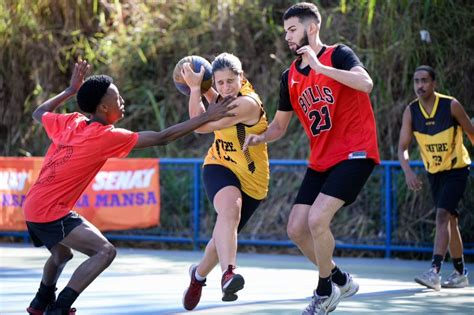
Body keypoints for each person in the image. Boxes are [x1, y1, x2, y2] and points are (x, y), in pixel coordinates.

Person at [24, 60, 237, 315]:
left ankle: (39, 303)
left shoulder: (71, 122)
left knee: (61, 256)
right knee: (104, 252)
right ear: (103, 107)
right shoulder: (104, 137)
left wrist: (71, 90)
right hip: (50, 210)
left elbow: (39, 113)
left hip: (33, 205)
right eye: (117, 98)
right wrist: (207, 116)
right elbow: (162, 137)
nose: (122, 100)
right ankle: (59, 308)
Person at [244, 2, 380, 314]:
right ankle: (340, 279)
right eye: (285, 31)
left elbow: (366, 83)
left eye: (292, 29)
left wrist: (320, 68)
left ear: (312, 28)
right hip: (322, 159)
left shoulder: (339, 55)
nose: (288, 37)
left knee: (317, 219)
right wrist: (260, 137)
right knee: (296, 228)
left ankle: (324, 290)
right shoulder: (288, 76)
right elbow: (279, 125)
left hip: (355, 152)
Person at [180, 52, 269, 310]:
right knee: (230, 211)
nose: (226, 87)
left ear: (242, 78)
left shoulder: (246, 104)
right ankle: (229, 274)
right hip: (219, 165)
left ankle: (197, 277)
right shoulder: (221, 94)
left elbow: (198, 124)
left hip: (253, 180)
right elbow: (205, 112)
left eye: (231, 81)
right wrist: (201, 87)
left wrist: (196, 88)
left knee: (219, 242)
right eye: (220, 83)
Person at [398, 65, 473, 291]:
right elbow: (402, 148)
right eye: (416, 81)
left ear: (434, 84)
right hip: (434, 174)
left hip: (457, 170)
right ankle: (460, 273)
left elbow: (471, 132)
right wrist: (408, 171)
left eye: (424, 81)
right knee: (450, 220)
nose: (419, 86)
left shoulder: (451, 105)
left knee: (442, 216)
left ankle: (435, 271)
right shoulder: (411, 111)